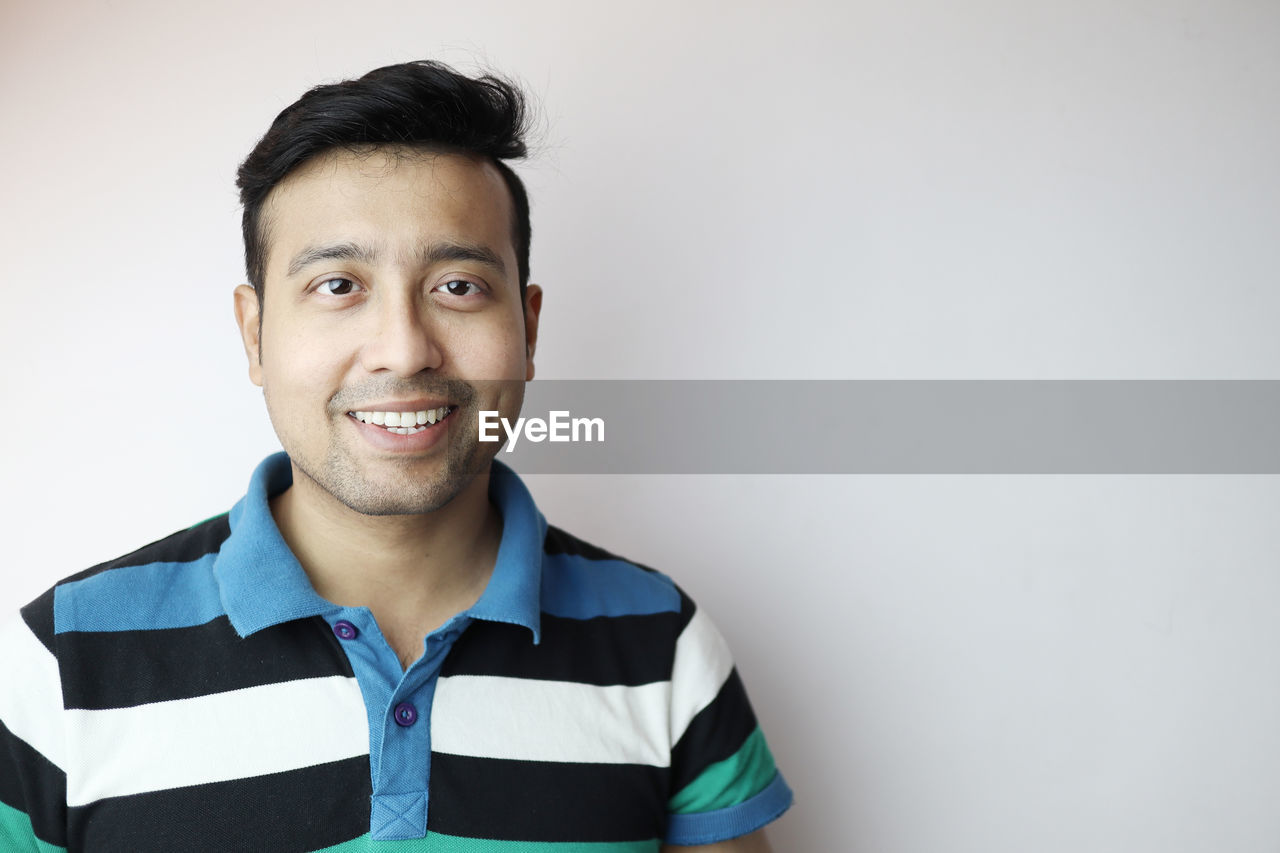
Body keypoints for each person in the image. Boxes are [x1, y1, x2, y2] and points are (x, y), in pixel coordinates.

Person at [0, 61, 792, 852]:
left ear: (529, 325)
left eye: (457, 286)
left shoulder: (664, 646)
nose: (404, 349)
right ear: (254, 333)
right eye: (340, 284)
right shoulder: (63, 664)